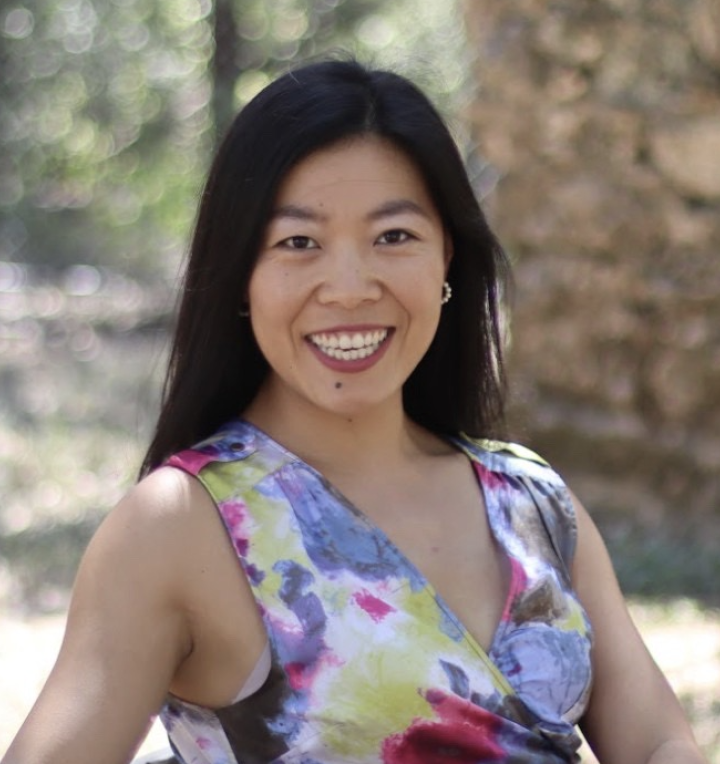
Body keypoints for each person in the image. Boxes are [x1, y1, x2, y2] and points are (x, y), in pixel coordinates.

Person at [2, 58, 707, 764]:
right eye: (298, 243)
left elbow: (658, 741)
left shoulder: (531, 501)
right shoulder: (182, 524)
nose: (349, 288)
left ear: (446, 260)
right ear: (241, 275)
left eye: (393, 236)